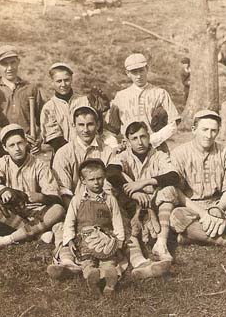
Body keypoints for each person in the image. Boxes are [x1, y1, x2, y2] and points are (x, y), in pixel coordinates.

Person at [51, 106, 170, 280]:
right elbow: (64, 190)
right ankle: (67, 263)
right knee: (62, 227)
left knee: (121, 224)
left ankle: (140, 263)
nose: (86, 129)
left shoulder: (107, 151)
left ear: (98, 124)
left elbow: (108, 185)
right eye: (81, 125)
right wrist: (80, 213)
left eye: (90, 124)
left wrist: (100, 212)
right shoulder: (63, 153)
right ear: (73, 125)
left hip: (103, 205)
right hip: (75, 207)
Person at [169, 110, 226, 248]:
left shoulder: (224, 152)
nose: (209, 135)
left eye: (213, 130)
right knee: (177, 216)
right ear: (194, 130)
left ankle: (193, 234)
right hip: (192, 207)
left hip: (219, 205)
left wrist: (217, 210)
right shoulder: (179, 153)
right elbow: (178, 192)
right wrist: (203, 214)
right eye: (204, 129)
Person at [0, 124, 65, 252]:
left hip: (37, 211)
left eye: (20, 143)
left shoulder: (39, 164)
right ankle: (37, 232)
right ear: (5, 148)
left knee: (58, 210)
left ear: (26, 143)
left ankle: (7, 239)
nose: (17, 149)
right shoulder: (2, 163)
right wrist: (2, 189)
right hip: (14, 210)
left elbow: (55, 197)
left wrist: (41, 197)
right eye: (12, 145)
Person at [110, 121, 181, 262]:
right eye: (134, 138)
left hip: (155, 202)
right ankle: (136, 249)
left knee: (169, 190)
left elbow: (174, 176)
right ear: (128, 141)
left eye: (143, 137)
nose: (140, 142)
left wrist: (144, 182)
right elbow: (111, 173)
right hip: (133, 203)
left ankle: (161, 243)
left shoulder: (159, 155)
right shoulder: (124, 156)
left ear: (149, 136)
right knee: (114, 191)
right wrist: (134, 192)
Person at [55, 159, 125, 297]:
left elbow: (117, 219)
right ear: (83, 180)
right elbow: (70, 221)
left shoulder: (110, 199)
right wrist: (69, 240)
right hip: (84, 240)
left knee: (108, 259)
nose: (96, 182)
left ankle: (109, 281)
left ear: (104, 177)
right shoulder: (77, 200)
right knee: (87, 261)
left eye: (99, 178)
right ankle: (92, 278)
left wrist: (120, 239)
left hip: (105, 239)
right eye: (92, 179)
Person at [106, 53, 181, 152]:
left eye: (141, 70)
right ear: (127, 73)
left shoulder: (160, 93)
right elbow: (110, 129)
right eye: (134, 72)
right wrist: (115, 146)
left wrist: (152, 140)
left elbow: (173, 124)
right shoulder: (120, 96)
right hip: (129, 150)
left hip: (155, 148)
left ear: (147, 69)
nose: (139, 76)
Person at [0, 45, 43, 165]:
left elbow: (42, 120)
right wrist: (12, 136)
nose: (10, 68)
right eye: (4, 64)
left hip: (27, 150)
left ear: (18, 62)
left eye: (13, 62)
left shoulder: (31, 89)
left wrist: (39, 139)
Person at [40, 63, 91, 154]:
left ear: (71, 79)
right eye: (59, 81)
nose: (63, 84)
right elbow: (54, 138)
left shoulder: (84, 101)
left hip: (88, 151)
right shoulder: (49, 107)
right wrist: (73, 152)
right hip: (62, 154)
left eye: (66, 80)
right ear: (52, 82)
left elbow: (94, 128)